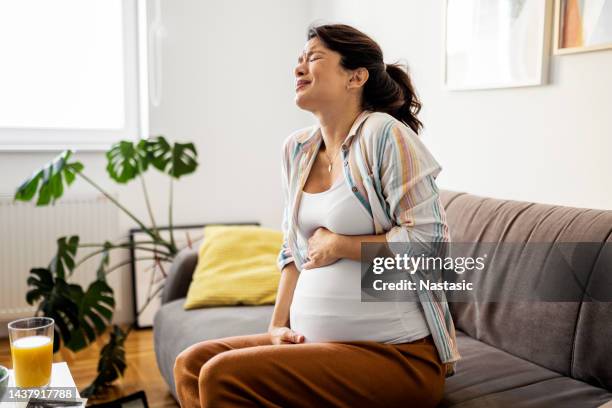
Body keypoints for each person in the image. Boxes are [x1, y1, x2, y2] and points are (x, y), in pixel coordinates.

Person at [173, 22, 461, 408]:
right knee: (192, 364)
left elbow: (431, 244)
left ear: (356, 77)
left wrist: (341, 245)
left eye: (314, 58)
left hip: (397, 354)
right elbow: (293, 251)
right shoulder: (297, 150)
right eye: (298, 60)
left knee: (221, 375)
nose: (298, 68)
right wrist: (277, 326)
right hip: (314, 344)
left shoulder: (384, 135)